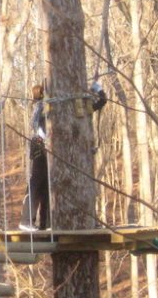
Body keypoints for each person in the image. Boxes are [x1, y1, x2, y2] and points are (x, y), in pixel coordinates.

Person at [20, 80, 107, 231]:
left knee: (49, 184)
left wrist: (96, 87)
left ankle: (46, 223)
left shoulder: (76, 104)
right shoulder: (46, 104)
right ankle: (27, 220)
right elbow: (39, 124)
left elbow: (100, 102)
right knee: (38, 181)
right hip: (41, 144)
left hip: (60, 147)